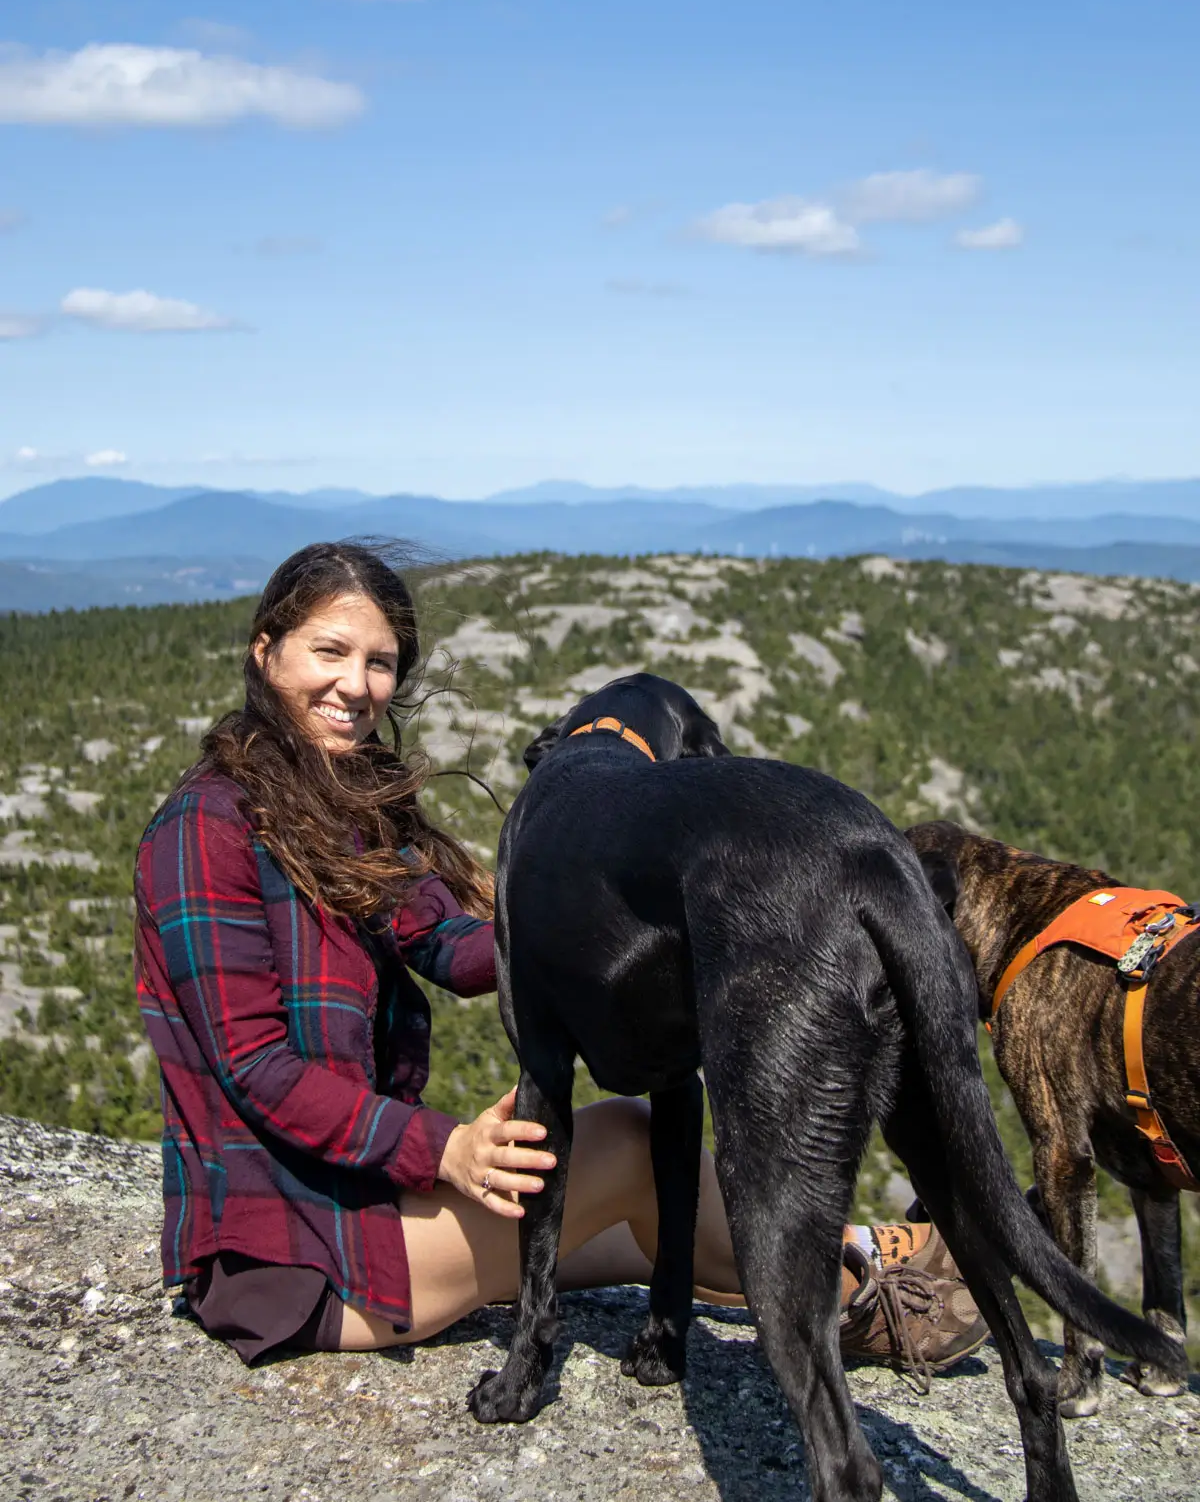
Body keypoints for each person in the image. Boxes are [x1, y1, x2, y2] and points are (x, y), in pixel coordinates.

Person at [134, 540, 986, 1375]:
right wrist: (446, 1150)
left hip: (356, 1196)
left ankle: (861, 1251)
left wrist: (632, 929)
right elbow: (258, 1069)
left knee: (642, 1227)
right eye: (331, 651)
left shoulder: (341, 810)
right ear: (266, 651)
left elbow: (460, 949)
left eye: (380, 662)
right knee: (623, 1142)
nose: (356, 686)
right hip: (289, 1249)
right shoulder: (207, 830)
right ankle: (871, 1310)